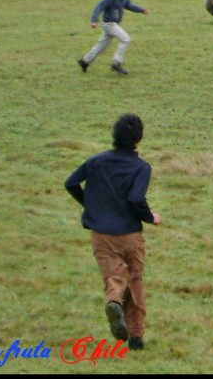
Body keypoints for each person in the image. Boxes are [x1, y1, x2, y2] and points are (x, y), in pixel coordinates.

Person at [65, 113, 161, 350]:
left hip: (102, 234)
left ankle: (114, 303)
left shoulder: (96, 161)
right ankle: (136, 337)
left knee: (114, 276)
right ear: (138, 140)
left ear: (114, 136)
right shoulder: (141, 168)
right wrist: (151, 217)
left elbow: (71, 183)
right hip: (130, 234)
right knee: (135, 280)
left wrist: (91, 204)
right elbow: (136, 199)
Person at [78, 0, 149, 75]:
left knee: (101, 46)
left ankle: (85, 61)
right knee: (126, 39)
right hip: (109, 24)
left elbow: (128, 5)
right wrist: (94, 20)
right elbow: (99, 7)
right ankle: (116, 63)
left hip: (113, 25)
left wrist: (141, 10)